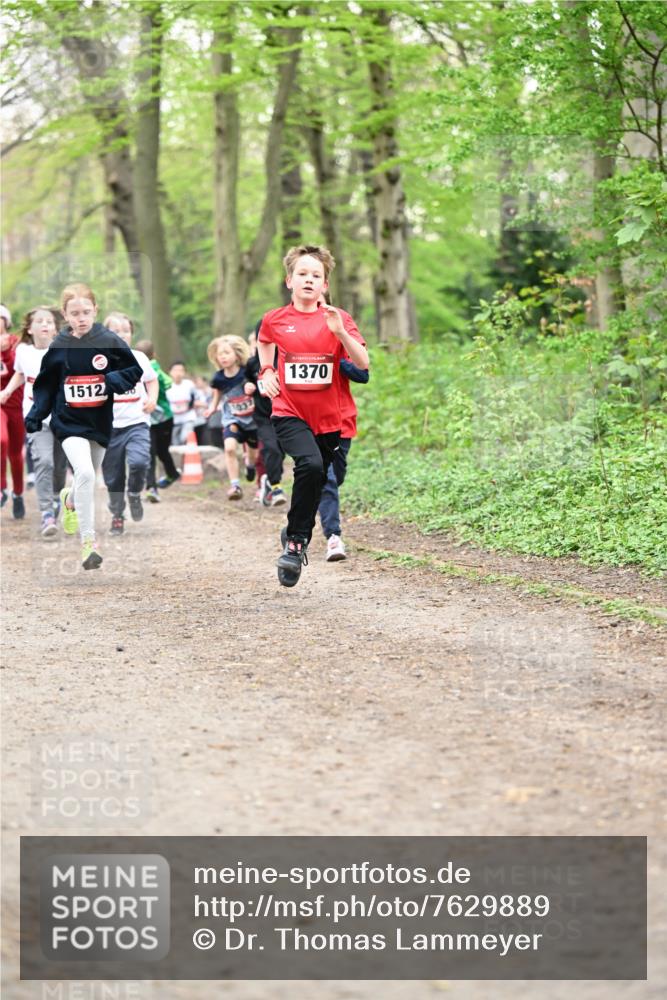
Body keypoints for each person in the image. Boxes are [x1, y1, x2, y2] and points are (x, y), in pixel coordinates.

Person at [258, 244, 369, 586]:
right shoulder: (275, 319)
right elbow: (264, 342)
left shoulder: (339, 318)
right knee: (310, 466)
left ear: (325, 285)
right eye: (302, 274)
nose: (309, 280)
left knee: (320, 478)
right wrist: (265, 371)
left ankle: (293, 529)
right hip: (289, 411)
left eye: (316, 276)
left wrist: (339, 333)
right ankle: (295, 545)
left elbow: (363, 363)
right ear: (289, 280)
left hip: (329, 419)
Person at [24, 283, 142, 569]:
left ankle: (69, 497)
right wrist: (37, 414)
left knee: (85, 477)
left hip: (99, 422)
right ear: (65, 315)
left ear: (95, 311)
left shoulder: (109, 340)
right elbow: (47, 384)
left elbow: (133, 370)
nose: (81, 318)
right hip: (68, 422)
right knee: (86, 472)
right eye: (74, 313)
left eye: (86, 312)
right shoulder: (60, 346)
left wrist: (110, 381)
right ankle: (89, 543)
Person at [0, 306, 67, 537]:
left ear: (56, 328)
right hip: (37, 417)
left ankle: (58, 496)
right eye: (39, 321)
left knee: (59, 467)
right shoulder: (24, 352)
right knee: (44, 462)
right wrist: (7, 391)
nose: (45, 324)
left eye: (49, 321)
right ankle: (47, 513)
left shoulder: (64, 350)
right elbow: (20, 373)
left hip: (63, 417)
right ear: (30, 328)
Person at [101, 313, 158, 535]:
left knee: (139, 462)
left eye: (126, 330)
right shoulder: (98, 361)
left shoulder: (138, 357)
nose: (122, 334)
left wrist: (152, 398)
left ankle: (134, 493)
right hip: (108, 428)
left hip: (137, 422)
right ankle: (117, 514)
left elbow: (151, 380)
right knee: (113, 477)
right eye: (115, 330)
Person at [318, 357, 369, 561]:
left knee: (336, 477)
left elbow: (362, 375)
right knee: (326, 479)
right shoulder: (301, 347)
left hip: (342, 422)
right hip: (313, 423)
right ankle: (333, 536)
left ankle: (303, 510)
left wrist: (334, 360)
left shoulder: (341, 345)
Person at [204, 335, 258, 500]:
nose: (223, 357)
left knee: (252, 453)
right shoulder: (218, 378)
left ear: (237, 355)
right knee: (229, 448)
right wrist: (212, 408)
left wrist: (251, 387)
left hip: (251, 420)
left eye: (227, 353)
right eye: (220, 354)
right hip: (232, 418)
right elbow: (217, 396)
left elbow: (255, 386)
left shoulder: (246, 372)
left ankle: (249, 465)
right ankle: (235, 485)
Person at [244, 322, 286, 507]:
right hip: (264, 417)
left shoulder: (286, 357)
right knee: (272, 449)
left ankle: (268, 480)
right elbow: (246, 379)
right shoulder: (253, 362)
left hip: (287, 413)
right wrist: (248, 386)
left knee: (281, 452)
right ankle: (276, 487)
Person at [134, 340, 180, 500]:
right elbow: (169, 383)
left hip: (152, 416)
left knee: (154, 452)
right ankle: (155, 485)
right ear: (154, 354)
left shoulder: (138, 366)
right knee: (157, 451)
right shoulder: (156, 367)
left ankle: (166, 478)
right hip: (161, 417)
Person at [0, 305, 26, 518]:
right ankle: (2, 487)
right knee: (1, 440)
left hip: (16, 404)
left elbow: (18, 370)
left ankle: (18, 494)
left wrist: (6, 351)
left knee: (16, 454)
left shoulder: (16, 343)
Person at [166, 361, 196, 446]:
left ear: (184, 372)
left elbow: (194, 397)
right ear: (170, 372)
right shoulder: (167, 385)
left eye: (181, 370)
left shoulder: (189, 384)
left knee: (185, 437)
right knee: (174, 441)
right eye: (175, 370)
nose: (178, 373)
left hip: (188, 417)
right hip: (173, 418)